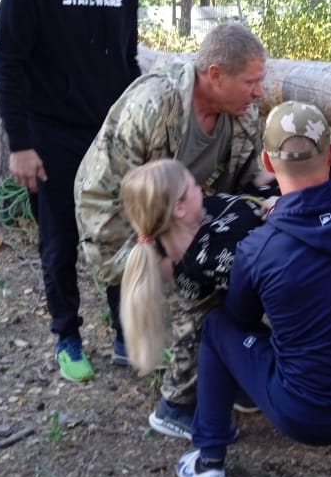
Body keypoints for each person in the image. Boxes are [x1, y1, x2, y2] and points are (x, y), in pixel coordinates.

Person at [174, 101, 331, 477]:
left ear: (267, 160)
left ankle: (208, 460)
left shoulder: (260, 247)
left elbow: (241, 318)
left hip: (305, 415)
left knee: (217, 327)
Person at [75, 21, 271, 435]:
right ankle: (177, 406)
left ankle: (229, 367)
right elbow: (113, 196)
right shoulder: (154, 106)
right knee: (200, 285)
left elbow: (243, 184)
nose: (259, 92)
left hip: (186, 215)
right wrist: (163, 254)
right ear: (215, 74)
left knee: (249, 259)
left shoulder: (243, 117)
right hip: (125, 226)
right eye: (251, 81)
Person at [0, 0, 140, 383]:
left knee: (122, 235)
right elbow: (7, 67)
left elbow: (127, 64)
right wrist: (21, 145)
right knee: (59, 241)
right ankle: (68, 336)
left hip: (111, 140)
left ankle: (126, 334)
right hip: (50, 139)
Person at [117, 159, 264, 377]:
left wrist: (258, 185)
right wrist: (280, 207)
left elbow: (234, 205)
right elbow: (271, 255)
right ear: (179, 208)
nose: (199, 188)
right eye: (193, 185)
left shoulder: (198, 222)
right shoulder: (210, 259)